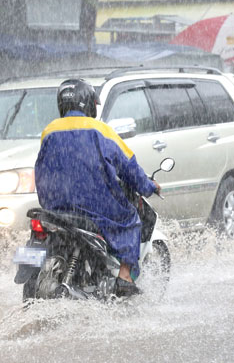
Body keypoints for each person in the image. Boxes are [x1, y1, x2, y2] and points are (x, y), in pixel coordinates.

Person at [34, 79, 160, 297]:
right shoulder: (101, 130)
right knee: (130, 220)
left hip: (55, 206)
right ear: (89, 103)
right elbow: (129, 167)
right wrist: (148, 186)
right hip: (94, 206)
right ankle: (125, 277)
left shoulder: (49, 130)